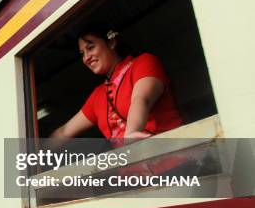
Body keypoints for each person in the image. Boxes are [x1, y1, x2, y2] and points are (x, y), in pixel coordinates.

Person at [52, 27, 182, 141]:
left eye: (90, 48)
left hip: (176, 161)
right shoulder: (98, 95)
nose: (86, 58)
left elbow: (142, 99)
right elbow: (64, 132)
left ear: (111, 42)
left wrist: (131, 132)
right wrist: (37, 154)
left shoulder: (143, 63)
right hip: (133, 167)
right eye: (82, 54)